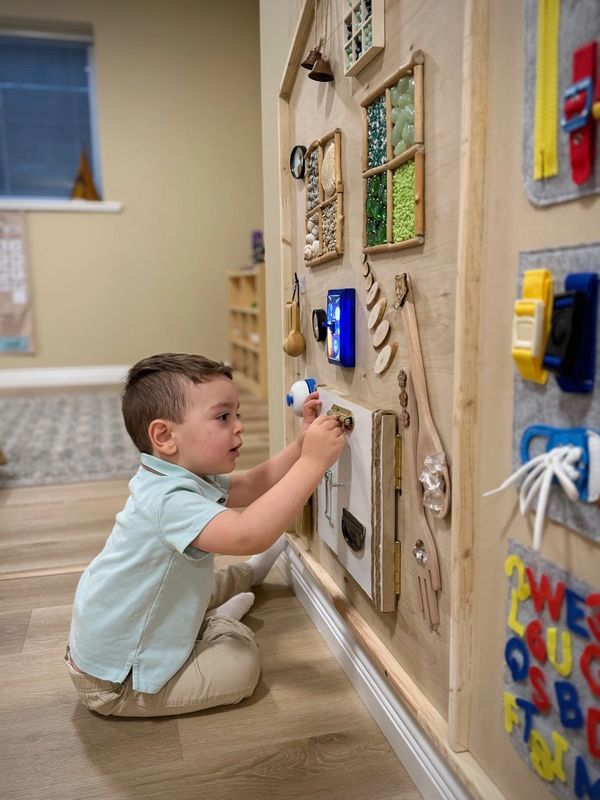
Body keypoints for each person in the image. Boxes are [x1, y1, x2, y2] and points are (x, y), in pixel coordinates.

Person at [64, 352, 345, 717]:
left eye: (237, 414)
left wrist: (301, 446)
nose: (239, 426)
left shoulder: (176, 474)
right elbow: (247, 535)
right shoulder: (169, 500)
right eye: (223, 416)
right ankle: (220, 622)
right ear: (165, 436)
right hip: (118, 683)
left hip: (122, 632)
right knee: (241, 666)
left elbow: (252, 483)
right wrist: (313, 463)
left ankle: (236, 585)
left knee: (201, 586)